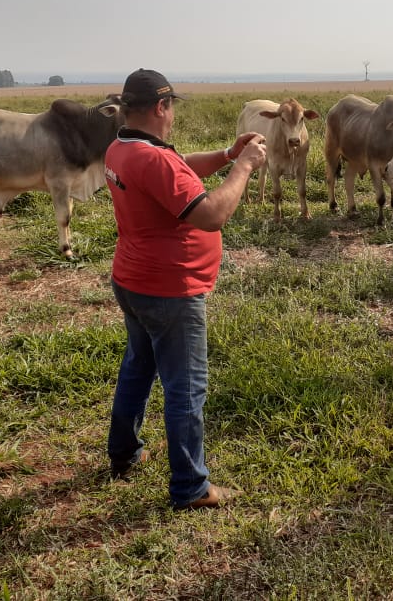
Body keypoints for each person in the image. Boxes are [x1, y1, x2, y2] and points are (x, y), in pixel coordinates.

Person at [104, 68, 266, 509]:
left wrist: (228, 154)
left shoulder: (123, 147)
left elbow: (179, 168)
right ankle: (190, 487)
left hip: (133, 281)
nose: (173, 115)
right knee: (186, 388)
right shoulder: (151, 159)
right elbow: (211, 215)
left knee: (138, 367)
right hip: (170, 290)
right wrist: (245, 167)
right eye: (172, 107)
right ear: (161, 107)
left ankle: (124, 453)